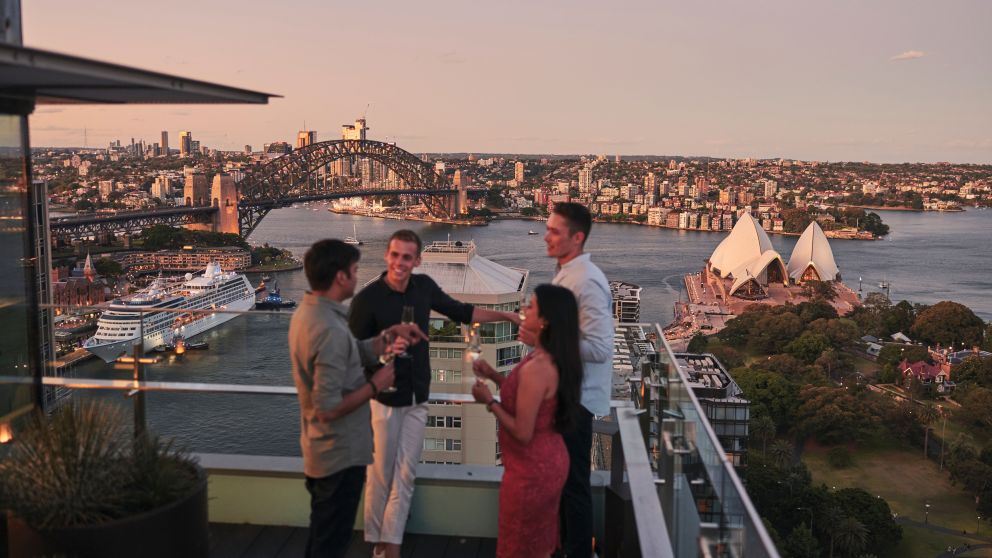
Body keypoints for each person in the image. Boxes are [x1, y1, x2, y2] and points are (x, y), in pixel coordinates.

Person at [349, 229, 521, 558]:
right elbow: (349, 352)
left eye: (408, 257)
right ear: (387, 255)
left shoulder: (424, 289)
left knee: (404, 478)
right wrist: (379, 365)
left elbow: (464, 313)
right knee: (381, 478)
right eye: (395, 255)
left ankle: (391, 550)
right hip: (383, 403)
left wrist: (507, 315)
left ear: (418, 260)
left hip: (416, 398)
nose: (400, 263)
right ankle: (377, 546)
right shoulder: (367, 300)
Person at [289, 239, 426, 558]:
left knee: (322, 533)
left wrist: (384, 339)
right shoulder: (331, 329)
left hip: (320, 450)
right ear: (340, 277)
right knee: (330, 544)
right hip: (339, 453)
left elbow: (348, 353)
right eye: (353, 270)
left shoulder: (310, 314)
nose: (356, 275)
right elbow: (328, 408)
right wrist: (376, 385)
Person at [472, 284, 582, 558]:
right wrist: (494, 376)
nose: (524, 311)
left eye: (530, 306)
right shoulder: (547, 357)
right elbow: (530, 400)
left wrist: (489, 401)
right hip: (547, 462)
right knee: (538, 544)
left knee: (519, 545)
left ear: (544, 320)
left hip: (531, 470)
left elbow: (523, 431)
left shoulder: (537, 367)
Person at [544, 202, 613, 558]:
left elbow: (601, 348)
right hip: (565, 396)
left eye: (555, 231)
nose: (547, 236)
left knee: (573, 488)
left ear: (577, 237)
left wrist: (549, 337)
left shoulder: (586, 281)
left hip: (578, 401)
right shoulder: (568, 275)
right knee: (562, 484)